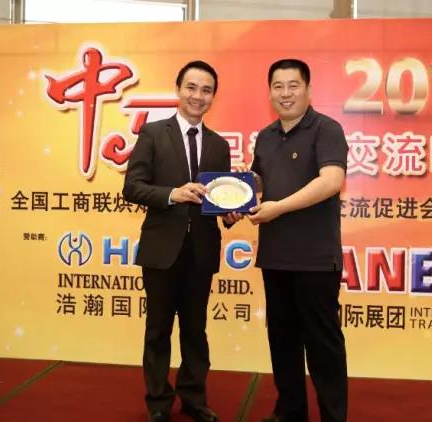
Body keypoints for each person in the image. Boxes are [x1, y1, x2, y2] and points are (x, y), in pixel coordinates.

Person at [123, 60, 242, 422]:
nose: (198, 96)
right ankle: (159, 403)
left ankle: (193, 398)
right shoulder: (153, 133)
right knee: (158, 330)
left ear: (213, 97)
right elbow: (132, 187)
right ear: (178, 90)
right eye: (191, 87)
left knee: (195, 331)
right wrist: (172, 194)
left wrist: (229, 214)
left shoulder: (219, 145)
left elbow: (218, 199)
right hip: (162, 249)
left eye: (206, 90)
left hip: (201, 251)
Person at [248, 58, 349, 422]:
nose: (285, 93)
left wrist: (278, 208)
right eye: (278, 86)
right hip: (275, 256)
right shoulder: (265, 136)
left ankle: (333, 416)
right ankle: (290, 412)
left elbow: (331, 181)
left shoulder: (327, 129)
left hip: (315, 259)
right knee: (283, 340)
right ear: (270, 92)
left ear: (308, 89)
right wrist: (234, 203)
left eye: (293, 85)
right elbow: (256, 183)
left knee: (323, 345)